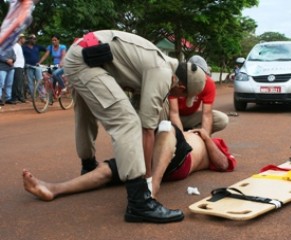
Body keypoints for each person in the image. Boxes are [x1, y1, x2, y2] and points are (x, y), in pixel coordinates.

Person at [62, 30, 206, 223]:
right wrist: (148, 181)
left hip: (82, 54)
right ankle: (140, 203)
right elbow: (147, 129)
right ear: (181, 87)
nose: (179, 99)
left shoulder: (159, 64)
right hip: (86, 60)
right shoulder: (163, 73)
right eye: (183, 96)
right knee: (127, 122)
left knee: (86, 113)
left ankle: (88, 166)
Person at [22, 122, 236, 202]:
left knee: (167, 127)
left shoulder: (212, 142)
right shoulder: (188, 132)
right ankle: (53, 189)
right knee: (108, 170)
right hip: (154, 155)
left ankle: (153, 185)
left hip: (180, 162)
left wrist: (206, 136)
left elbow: (224, 164)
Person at [168, 55, 229, 135]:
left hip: (189, 117)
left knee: (221, 119)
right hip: (169, 117)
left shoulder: (208, 83)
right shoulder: (177, 82)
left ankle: (195, 134)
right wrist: (182, 140)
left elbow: (206, 114)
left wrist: (205, 137)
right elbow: (174, 113)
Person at [22, 34, 46, 98]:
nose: (34, 40)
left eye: (35, 39)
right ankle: (33, 96)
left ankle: (42, 96)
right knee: (30, 82)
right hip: (28, 66)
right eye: (32, 38)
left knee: (39, 80)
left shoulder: (37, 46)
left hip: (37, 66)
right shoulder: (24, 47)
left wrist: (41, 61)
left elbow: (47, 51)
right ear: (29, 39)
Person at [11, 33, 27, 103]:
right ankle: (15, 98)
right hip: (16, 66)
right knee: (16, 83)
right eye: (23, 38)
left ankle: (19, 97)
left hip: (20, 67)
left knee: (19, 82)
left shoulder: (19, 46)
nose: (24, 40)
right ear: (20, 39)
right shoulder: (16, 46)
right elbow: (13, 56)